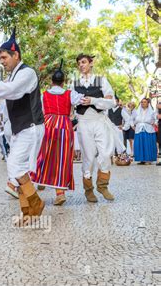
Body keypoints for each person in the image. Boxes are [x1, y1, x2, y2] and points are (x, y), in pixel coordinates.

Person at [0, 28, 45, 226]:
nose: (2, 61)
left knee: (14, 166)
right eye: (0, 58)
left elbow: (12, 91)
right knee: (18, 169)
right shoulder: (14, 76)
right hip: (20, 129)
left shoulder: (27, 73)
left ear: (16, 55)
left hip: (30, 127)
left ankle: (36, 204)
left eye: (4, 57)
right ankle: (28, 212)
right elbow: (7, 92)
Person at [69, 53, 122, 203]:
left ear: (91, 63)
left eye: (84, 62)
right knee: (88, 157)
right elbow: (70, 101)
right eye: (79, 63)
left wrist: (93, 100)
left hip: (100, 121)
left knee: (105, 153)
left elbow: (111, 102)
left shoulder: (101, 80)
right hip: (84, 122)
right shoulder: (74, 82)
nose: (81, 65)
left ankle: (103, 185)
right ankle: (88, 189)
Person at [32, 60, 83, 205]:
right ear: (63, 81)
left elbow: (39, 112)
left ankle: (35, 182)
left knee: (43, 156)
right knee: (62, 159)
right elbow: (81, 100)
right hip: (65, 126)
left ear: (51, 81)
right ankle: (60, 193)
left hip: (47, 125)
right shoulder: (70, 93)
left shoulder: (44, 95)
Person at [132, 98, 157, 164]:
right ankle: (141, 159)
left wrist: (153, 123)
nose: (143, 103)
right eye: (142, 102)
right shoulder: (137, 112)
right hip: (139, 130)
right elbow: (131, 119)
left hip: (148, 130)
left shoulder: (152, 112)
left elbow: (156, 120)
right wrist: (133, 126)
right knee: (139, 144)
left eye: (145, 102)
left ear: (148, 103)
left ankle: (148, 160)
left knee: (147, 144)